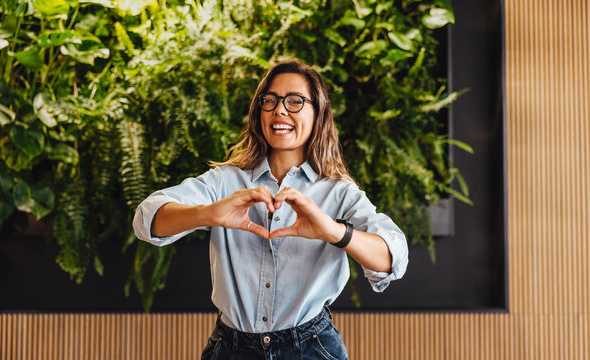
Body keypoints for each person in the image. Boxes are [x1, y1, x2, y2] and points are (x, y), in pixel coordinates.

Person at [133, 59, 408, 360]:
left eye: (295, 101)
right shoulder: (225, 181)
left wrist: (332, 231)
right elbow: (148, 219)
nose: (279, 110)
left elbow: (392, 259)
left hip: (312, 349)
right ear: (259, 112)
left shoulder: (338, 192)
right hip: (230, 349)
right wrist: (208, 214)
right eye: (271, 100)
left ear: (318, 114)